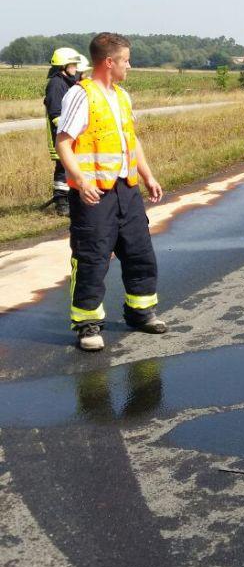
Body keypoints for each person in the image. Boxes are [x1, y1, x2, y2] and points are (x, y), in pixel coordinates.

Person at [54, 32, 167, 352]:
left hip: (126, 189)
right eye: (126, 61)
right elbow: (64, 142)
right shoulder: (81, 95)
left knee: (139, 251)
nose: (129, 66)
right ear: (109, 62)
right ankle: (88, 324)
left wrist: (147, 175)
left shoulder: (122, 96)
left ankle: (140, 312)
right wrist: (82, 180)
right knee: (92, 257)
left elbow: (132, 141)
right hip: (94, 195)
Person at [43, 47, 86, 216]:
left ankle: (70, 200)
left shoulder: (66, 82)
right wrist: (69, 133)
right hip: (60, 137)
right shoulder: (56, 84)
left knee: (69, 166)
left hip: (68, 135)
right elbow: (56, 114)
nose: (76, 68)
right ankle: (61, 203)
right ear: (63, 66)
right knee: (63, 168)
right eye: (73, 65)